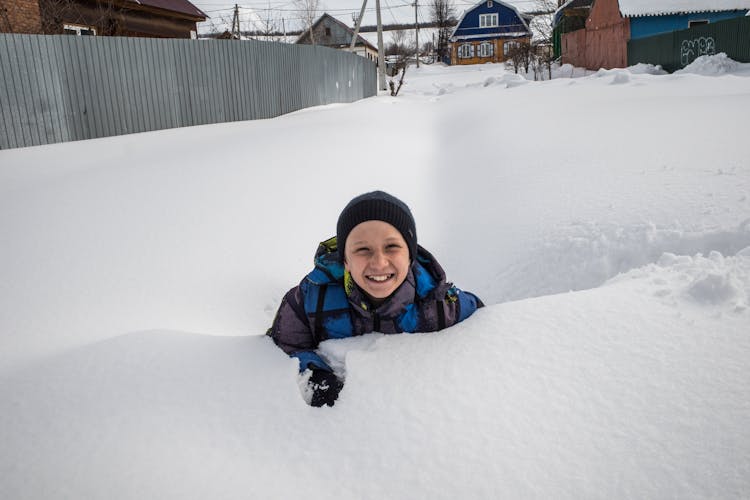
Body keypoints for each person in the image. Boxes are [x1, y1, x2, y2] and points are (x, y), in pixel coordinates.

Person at [267, 191, 483, 407]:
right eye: (362, 249)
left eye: (392, 247)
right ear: (345, 261)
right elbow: (285, 343)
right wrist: (315, 373)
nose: (379, 262)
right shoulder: (313, 297)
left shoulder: (437, 303)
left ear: (410, 256)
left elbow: (483, 322)